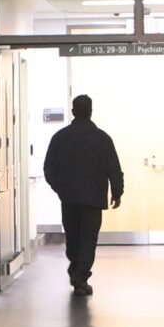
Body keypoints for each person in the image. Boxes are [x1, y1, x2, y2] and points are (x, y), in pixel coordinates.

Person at [41, 94, 124, 296]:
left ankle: (77, 273)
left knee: (73, 238)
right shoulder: (103, 139)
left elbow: (49, 169)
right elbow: (114, 168)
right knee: (88, 239)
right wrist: (117, 192)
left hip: (69, 199)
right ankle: (80, 277)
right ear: (91, 111)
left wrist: (60, 189)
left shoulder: (60, 138)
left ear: (73, 111)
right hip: (93, 201)